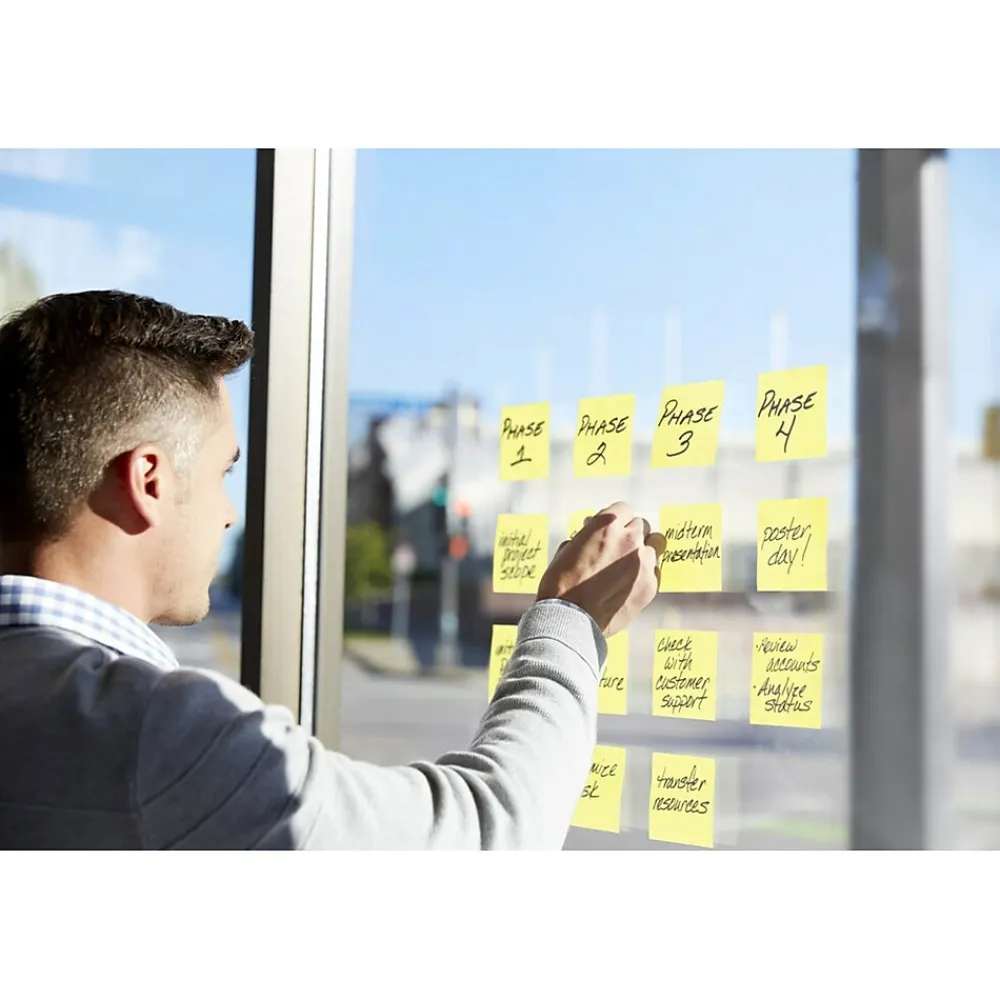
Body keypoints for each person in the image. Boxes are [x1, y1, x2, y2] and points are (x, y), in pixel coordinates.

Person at [0, 290, 665, 850]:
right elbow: (492, 834)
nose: (229, 515)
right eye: (222, 473)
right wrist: (569, 620)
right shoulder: (163, 736)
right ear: (149, 480)